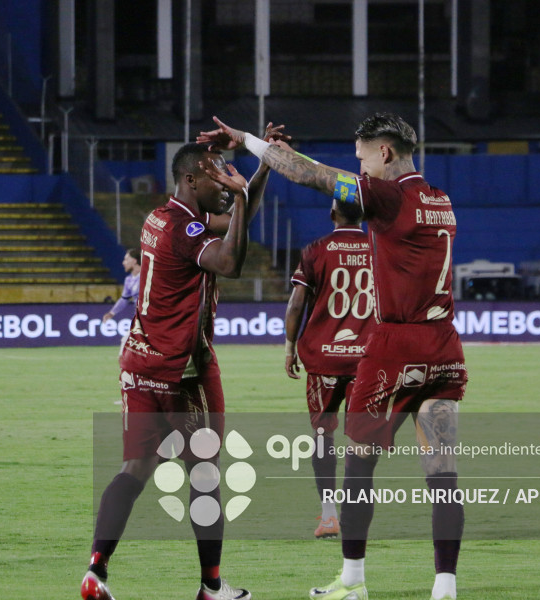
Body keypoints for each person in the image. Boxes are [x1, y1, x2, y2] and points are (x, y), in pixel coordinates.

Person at [199, 113, 468, 600]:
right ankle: (445, 586)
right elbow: (332, 179)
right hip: (444, 347)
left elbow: (312, 175)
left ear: (385, 152)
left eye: (363, 159)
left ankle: (352, 581)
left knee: (359, 465)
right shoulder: (440, 200)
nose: (360, 168)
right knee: (442, 471)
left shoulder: (388, 195)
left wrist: (248, 141)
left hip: (395, 346)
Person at [80, 139, 278, 600]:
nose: (225, 182)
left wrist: (262, 170)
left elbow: (237, 219)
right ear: (191, 179)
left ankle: (95, 570)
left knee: (134, 468)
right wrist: (242, 195)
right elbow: (229, 261)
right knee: (205, 476)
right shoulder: (187, 232)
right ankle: (211, 587)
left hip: (140, 364)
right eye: (217, 175)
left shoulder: (162, 217)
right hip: (183, 372)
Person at [284, 199, 373, 539]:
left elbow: (297, 304)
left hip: (323, 359)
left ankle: (329, 515)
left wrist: (290, 347)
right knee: (362, 440)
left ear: (332, 213)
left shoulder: (315, 250)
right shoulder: (381, 250)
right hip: (367, 360)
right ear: (364, 215)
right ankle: (355, 514)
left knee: (323, 435)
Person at [102, 249, 142, 325]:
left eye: (126, 259)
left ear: (134, 261)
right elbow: (124, 299)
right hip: (140, 319)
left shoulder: (148, 276)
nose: (123, 263)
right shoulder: (129, 280)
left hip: (153, 318)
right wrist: (111, 313)